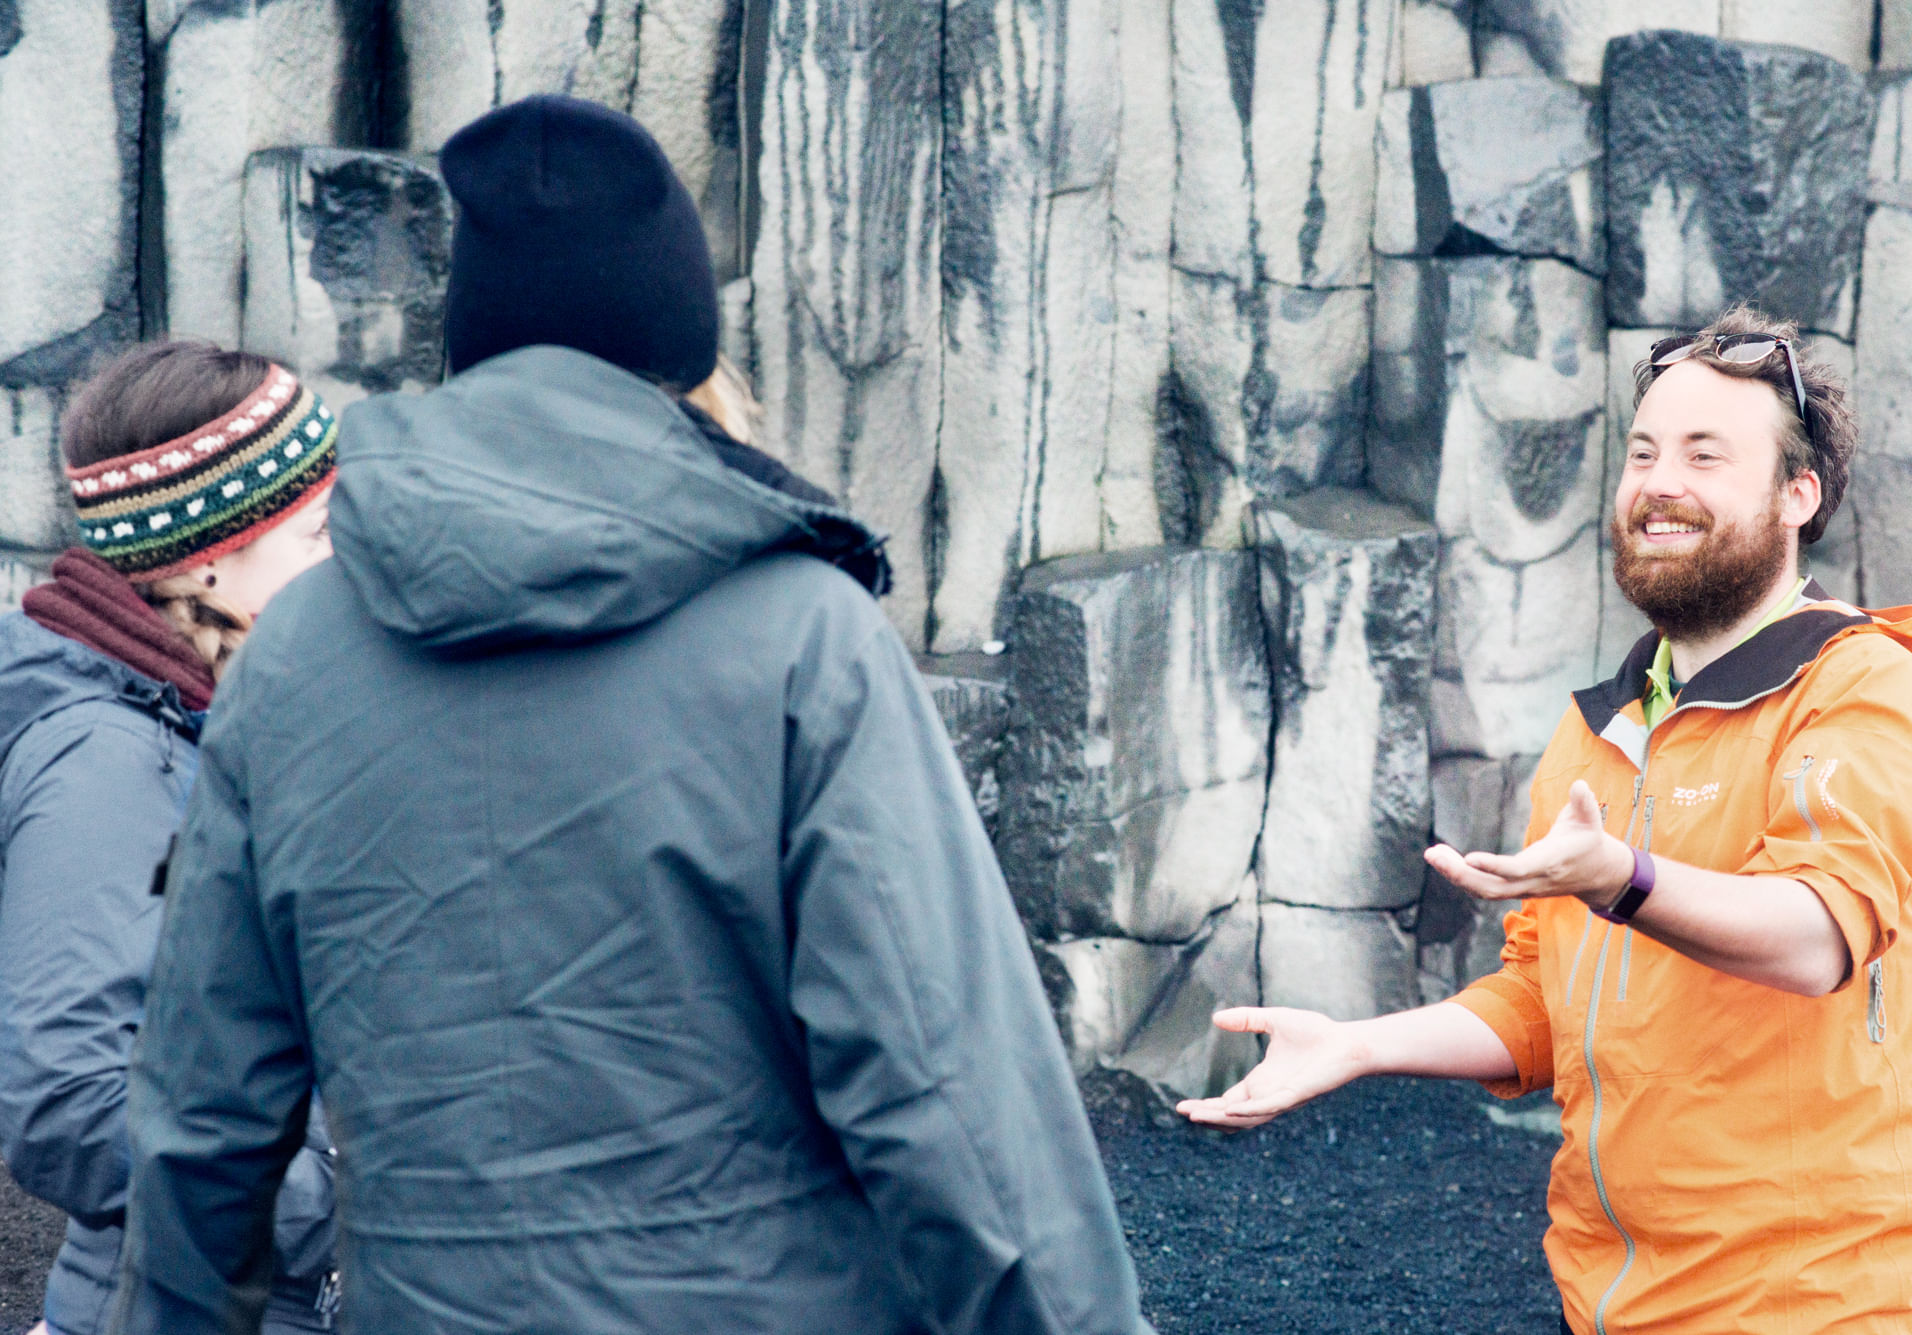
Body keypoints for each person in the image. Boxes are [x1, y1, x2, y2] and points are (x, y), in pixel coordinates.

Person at [108, 96, 1149, 1334]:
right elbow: (944, 1089)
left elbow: (203, 1121)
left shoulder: (292, 667)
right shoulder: (799, 638)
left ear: (470, 345)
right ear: (682, 349)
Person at [1181, 306, 1912, 1333]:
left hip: (1818, 1308)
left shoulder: (1862, 689)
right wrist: (1357, 1047)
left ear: (1795, 496)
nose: (1658, 483)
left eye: (1703, 455)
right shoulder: (1599, 733)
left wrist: (1619, 879)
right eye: (1640, 452)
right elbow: (1545, 1004)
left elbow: (1815, 936)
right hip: (1606, 1304)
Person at [0, 341, 342, 1335]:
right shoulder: (111, 757)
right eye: (317, 533)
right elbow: (68, 1096)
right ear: (204, 563)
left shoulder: (211, 721)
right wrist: (331, 1211)